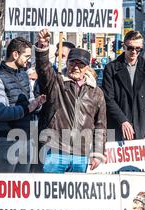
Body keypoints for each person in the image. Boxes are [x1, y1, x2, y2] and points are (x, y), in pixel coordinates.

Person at [35, 28, 107, 173]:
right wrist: (43, 47)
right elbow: (44, 70)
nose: (76, 67)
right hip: (56, 149)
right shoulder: (57, 83)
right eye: (72, 63)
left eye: (81, 64)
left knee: (75, 196)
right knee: (50, 194)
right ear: (66, 63)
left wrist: (98, 153)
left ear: (87, 67)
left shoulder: (96, 92)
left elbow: (100, 125)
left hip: (81, 153)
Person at [0, 37, 46, 174]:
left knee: (22, 188)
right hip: (5, 141)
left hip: (26, 139)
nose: (28, 60)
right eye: (26, 56)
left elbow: (30, 101)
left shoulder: (24, 75)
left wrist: (38, 103)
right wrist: (28, 108)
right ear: (15, 54)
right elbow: (0, 112)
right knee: (4, 189)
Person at [103, 30, 145, 142]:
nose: (134, 52)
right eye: (130, 48)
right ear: (124, 46)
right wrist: (123, 120)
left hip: (139, 124)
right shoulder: (111, 68)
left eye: (138, 49)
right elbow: (108, 98)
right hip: (117, 124)